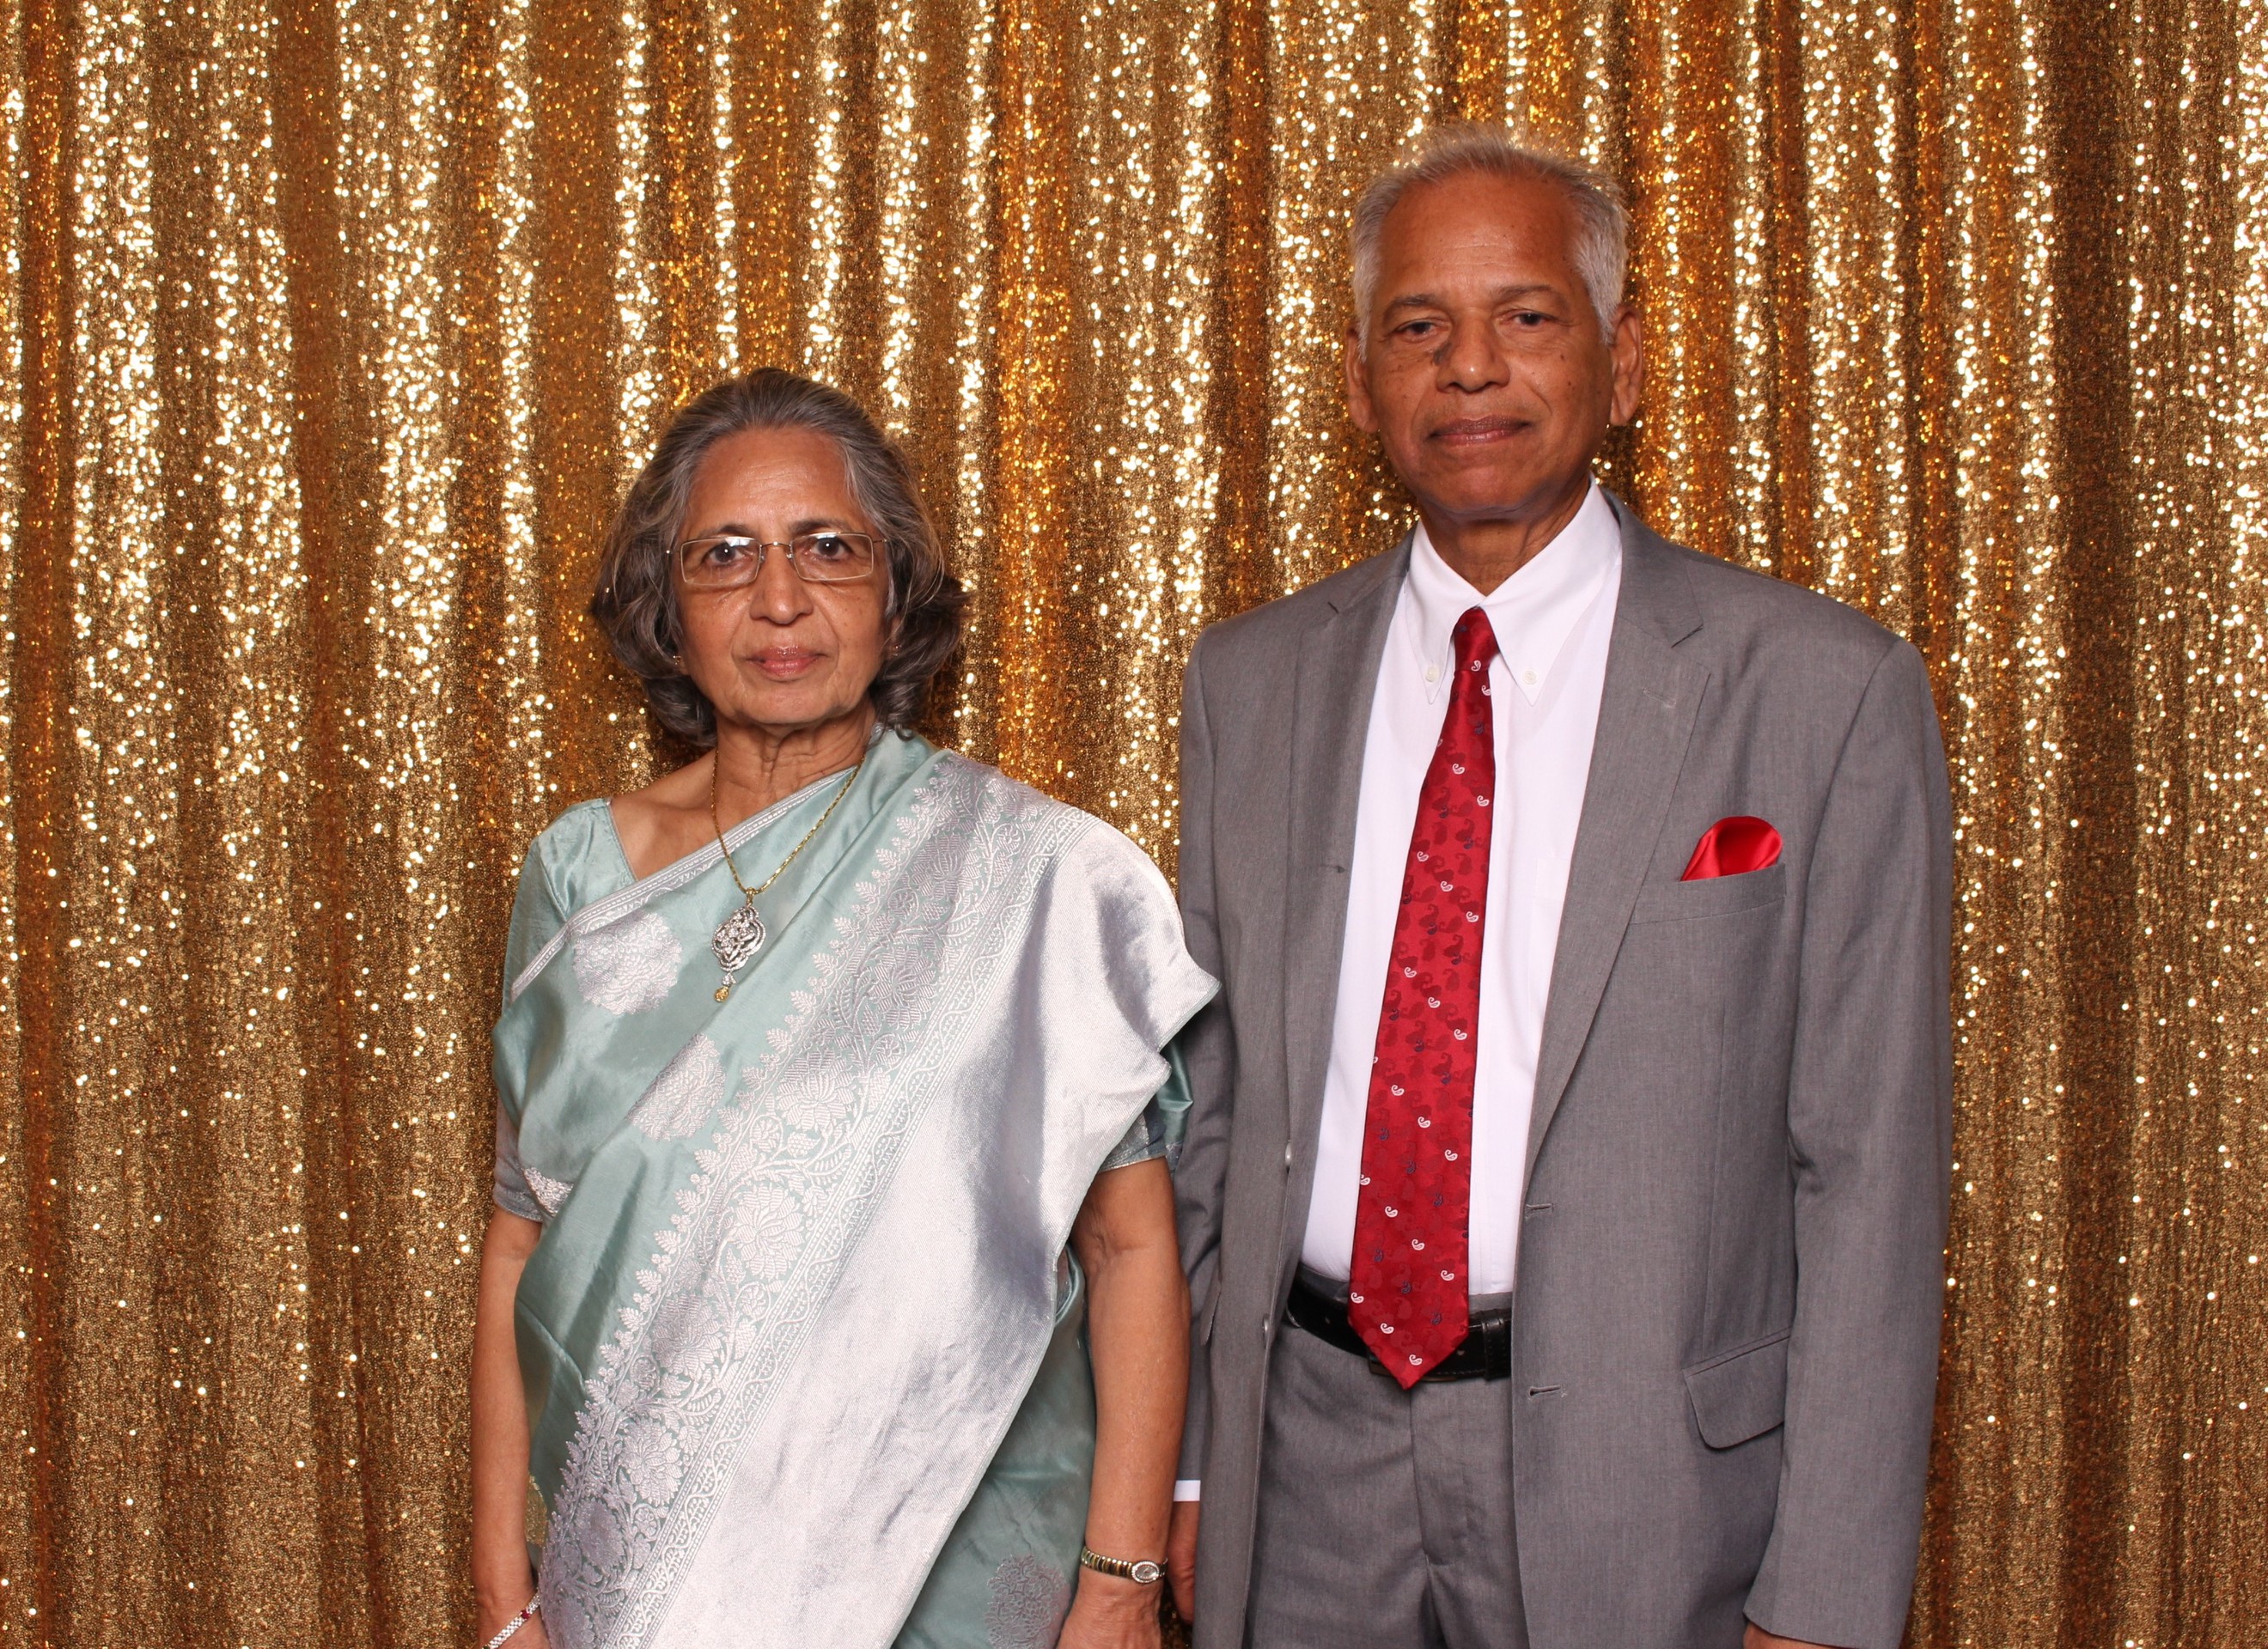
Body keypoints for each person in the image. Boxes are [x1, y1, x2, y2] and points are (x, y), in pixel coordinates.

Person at [1166, 127, 1953, 1649]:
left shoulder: (1821, 689)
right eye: (1418, 327)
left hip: (1655, 1490)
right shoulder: (1249, 683)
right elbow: (1209, 1111)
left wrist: (1827, 1596)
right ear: (1360, 384)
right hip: (1304, 1467)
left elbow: (1869, 1173)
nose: (1471, 367)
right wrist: (1190, 1466)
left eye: (1525, 316)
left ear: (1623, 363)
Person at [469, 368, 1215, 1649]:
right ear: (667, 606)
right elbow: (518, 1243)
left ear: (894, 592)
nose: (779, 599)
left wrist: (1119, 1582)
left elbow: (1132, 1250)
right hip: (642, 1581)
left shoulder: (1026, 878)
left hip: (961, 1565)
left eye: (828, 547)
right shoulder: (581, 879)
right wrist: (502, 1591)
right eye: (724, 555)